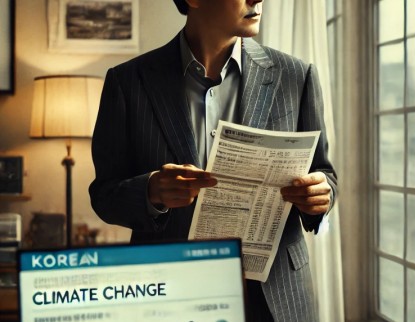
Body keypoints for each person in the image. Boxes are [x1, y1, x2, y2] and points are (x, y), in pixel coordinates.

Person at [89, 0, 337, 320]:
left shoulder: (296, 75)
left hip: (277, 295)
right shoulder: (128, 82)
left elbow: (324, 172)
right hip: (170, 293)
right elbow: (104, 194)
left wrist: (321, 194)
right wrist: (152, 191)